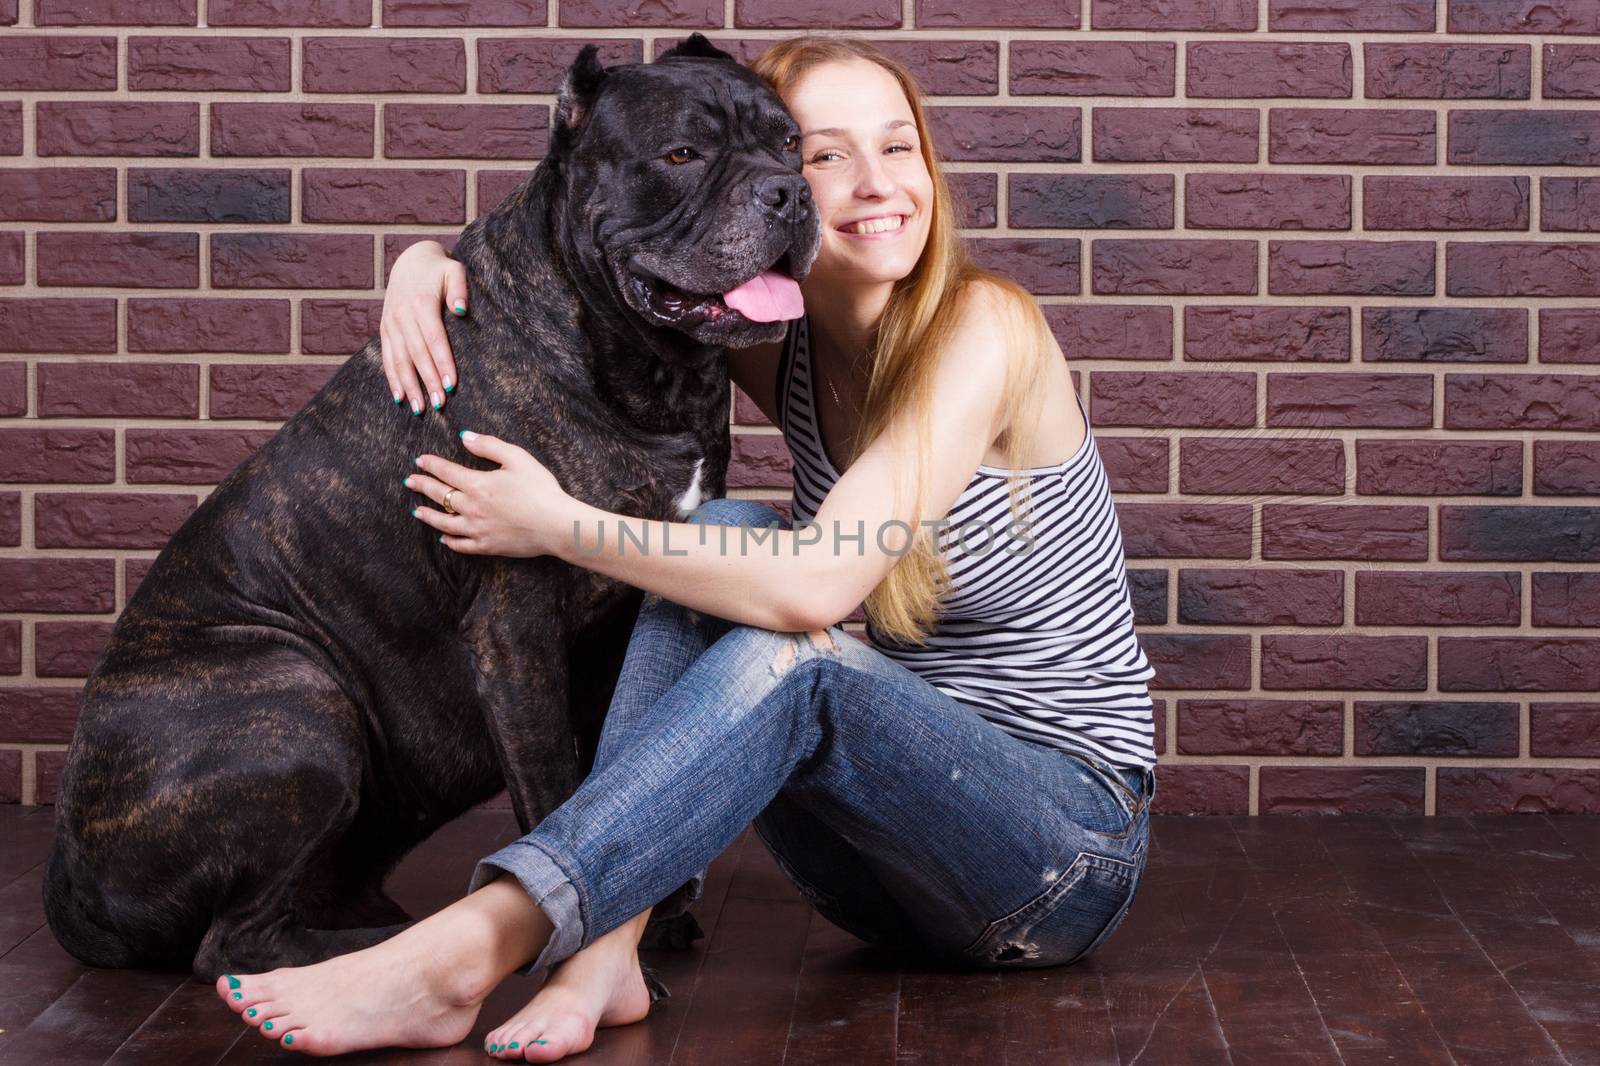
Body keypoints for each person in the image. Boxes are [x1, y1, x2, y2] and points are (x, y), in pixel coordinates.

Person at [213, 35, 1159, 1061]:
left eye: (900, 148)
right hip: (875, 873)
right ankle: (607, 948)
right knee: (725, 529)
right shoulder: (782, 338)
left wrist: (555, 524)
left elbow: (819, 590)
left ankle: (479, 943)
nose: (873, 184)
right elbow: (576, 268)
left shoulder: (988, 327)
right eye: (823, 154)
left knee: (798, 654)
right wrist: (425, 267)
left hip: (1059, 855)